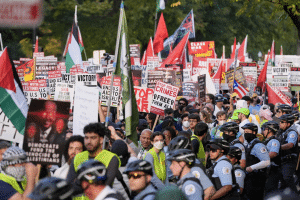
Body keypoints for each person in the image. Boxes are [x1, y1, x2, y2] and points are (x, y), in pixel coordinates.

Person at [67, 123, 120, 188]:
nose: (89, 141)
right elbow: (69, 184)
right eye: (86, 138)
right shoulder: (77, 158)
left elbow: (105, 185)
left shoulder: (111, 158)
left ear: (101, 140)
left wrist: (79, 181)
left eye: (93, 138)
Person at [241, 123, 270, 200]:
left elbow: (266, 161)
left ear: (254, 132)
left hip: (257, 179)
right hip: (250, 178)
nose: (245, 134)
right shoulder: (249, 144)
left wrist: (251, 168)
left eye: (247, 132)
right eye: (245, 132)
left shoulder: (258, 145)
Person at [276, 114, 298, 192]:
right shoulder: (282, 132)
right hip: (282, 160)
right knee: (282, 182)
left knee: (287, 177)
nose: (280, 124)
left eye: (282, 122)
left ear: (288, 124)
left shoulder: (292, 132)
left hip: (289, 160)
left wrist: (278, 147)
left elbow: (290, 144)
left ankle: (295, 196)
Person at [261, 121, 281, 195]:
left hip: (272, 170)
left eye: (264, 129)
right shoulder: (267, 141)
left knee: (270, 192)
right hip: (267, 170)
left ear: (270, 130)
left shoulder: (274, 141)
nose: (263, 131)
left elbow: (274, 153)